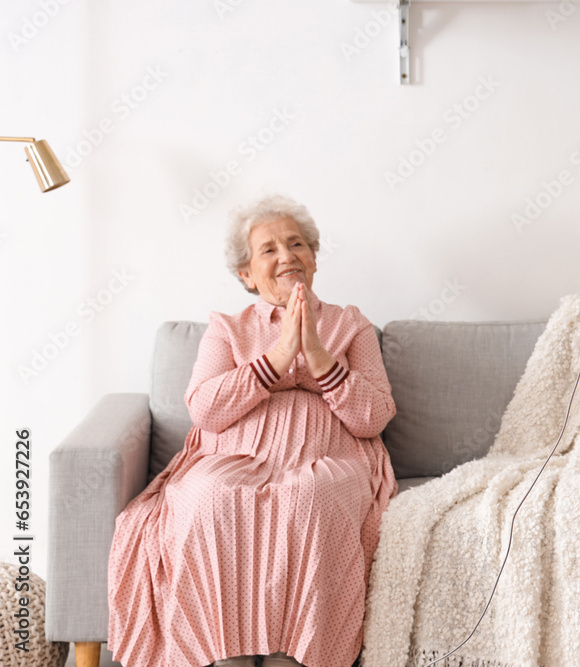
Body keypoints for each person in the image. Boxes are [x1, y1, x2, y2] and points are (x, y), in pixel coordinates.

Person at [107, 195, 397, 667]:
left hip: (328, 460)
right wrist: (278, 357)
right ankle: (226, 656)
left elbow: (374, 416)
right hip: (231, 458)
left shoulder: (351, 324)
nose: (286, 256)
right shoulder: (227, 328)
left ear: (314, 258)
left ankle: (294, 656)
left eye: (296, 244)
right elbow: (206, 409)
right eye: (268, 249)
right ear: (246, 274)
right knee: (210, 497)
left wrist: (319, 358)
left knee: (312, 497)